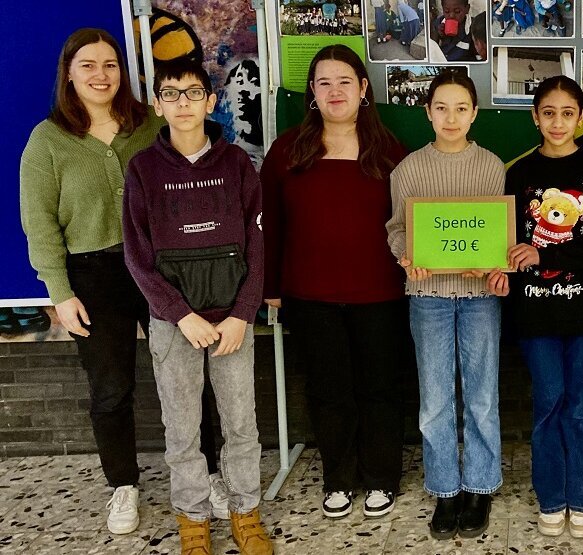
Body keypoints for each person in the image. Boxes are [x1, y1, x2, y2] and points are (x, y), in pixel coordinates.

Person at [18, 28, 225, 536]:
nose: (100, 74)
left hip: (164, 268)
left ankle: (211, 474)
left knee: (190, 380)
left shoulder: (150, 124)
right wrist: (60, 294)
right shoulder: (48, 140)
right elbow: (39, 222)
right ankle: (123, 485)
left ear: (123, 72)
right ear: (69, 73)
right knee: (110, 387)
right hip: (95, 274)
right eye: (87, 65)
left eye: (109, 64)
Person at [122, 58, 271, 555]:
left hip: (231, 321)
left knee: (240, 423)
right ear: (158, 104)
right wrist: (179, 314)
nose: (182, 102)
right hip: (173, 323)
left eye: (192, 93)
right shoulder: (142, 169)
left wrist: (242, 313)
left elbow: (257, 244)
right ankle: (193, 519)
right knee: (182, 429)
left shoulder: (236, 165)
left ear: (211, 102)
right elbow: (137, 255)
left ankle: (245, 512)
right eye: (171, 93)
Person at [261, 45, 409, 521]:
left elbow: (412, 222)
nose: (334, 91)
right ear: (312, 93)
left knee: (380, 388)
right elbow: (270, 223)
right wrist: (270, 287)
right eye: (323, 82)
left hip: (381, 293)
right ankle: (339, 479)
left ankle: (381, 478)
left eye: (344, 81)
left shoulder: (390, 151)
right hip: (310, 296)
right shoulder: (287, 151)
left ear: (364, 88)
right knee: (329, 390)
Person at [385, 69, 507, 540]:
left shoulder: (493, 166)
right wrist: (406, 257)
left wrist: (492, 260)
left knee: (481, 394)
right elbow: (397, 227)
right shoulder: (408, 170)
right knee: (435, 399)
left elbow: (497, 231)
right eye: (441, 108)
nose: (451, 117)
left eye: (461, 108)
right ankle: (445, 489)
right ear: (428, 112)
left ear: (475, 113)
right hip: (428, 297)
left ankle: (480, 485)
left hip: (479, 298)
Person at [503, 76, 583, 538]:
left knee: (581, 405)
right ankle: (552, 496)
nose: (557, 122)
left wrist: (545, 254)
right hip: (535, 314)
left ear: (580, 116)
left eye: (567, 113)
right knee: (548, 402)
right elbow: (506, 242)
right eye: (548, 112)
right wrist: (504, 267)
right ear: (535, 117)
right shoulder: (520, 175)